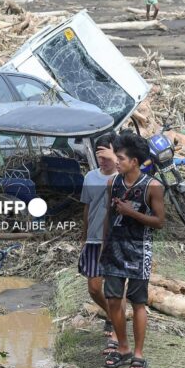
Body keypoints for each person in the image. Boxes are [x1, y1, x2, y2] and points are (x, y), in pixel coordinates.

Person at [100, 133, 165, 368]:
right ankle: (123, 348)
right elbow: (109, 215)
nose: (116, 161)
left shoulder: (153, 187)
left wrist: (131, 213)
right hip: (114, 249)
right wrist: (103, 245)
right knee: (114, 300)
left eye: (121, 158)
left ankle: (138, 353)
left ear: (134, 162)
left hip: (139, 250)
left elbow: (159, 222)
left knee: (138, 302)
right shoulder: (112, 183)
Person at [79, 133, 121, 355]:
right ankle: (112, 314)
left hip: (116, 242)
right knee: (94, 288)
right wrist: (84, 235)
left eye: (107, 155)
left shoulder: (123, 179)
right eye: (99, 156)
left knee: (115, 290)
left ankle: (116, 331)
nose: (103, 160)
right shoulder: (90, 178)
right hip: (94, 240)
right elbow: (87, 208)